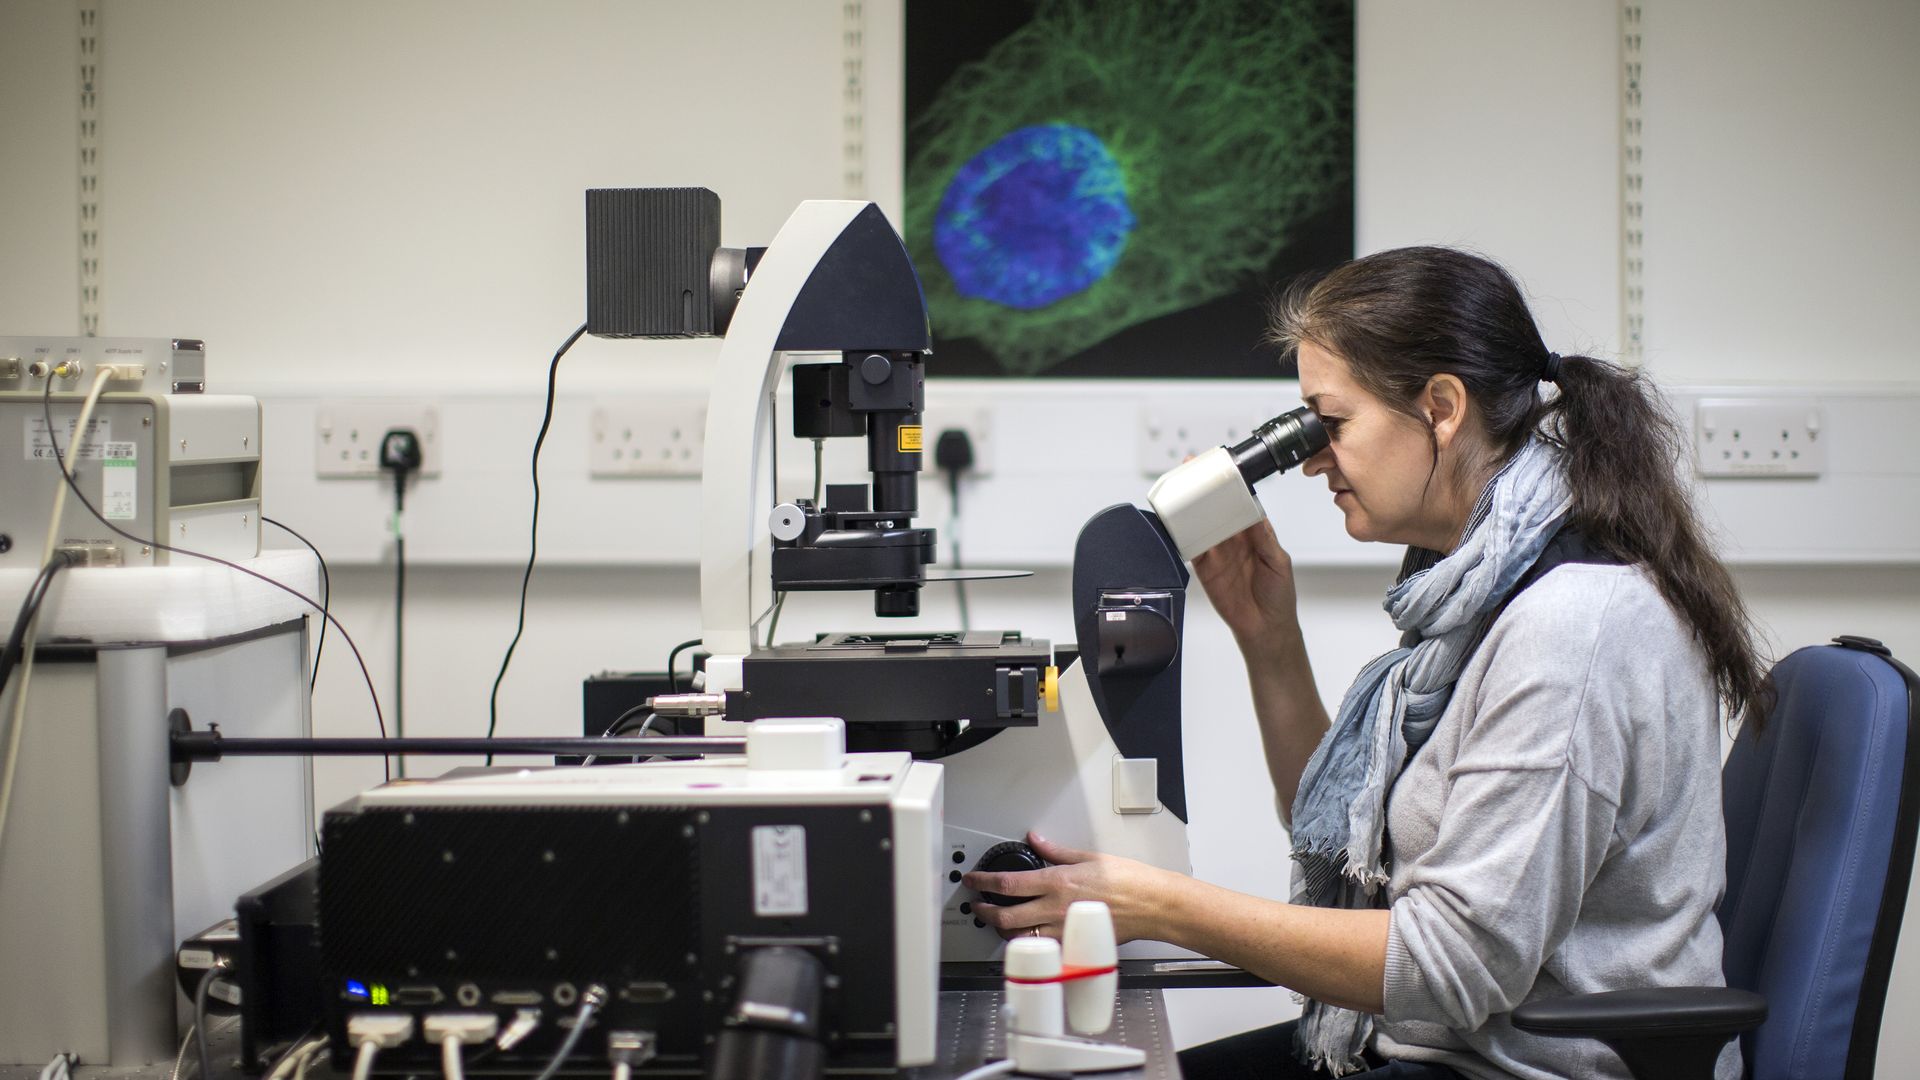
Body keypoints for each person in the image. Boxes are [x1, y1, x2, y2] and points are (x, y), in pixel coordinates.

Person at [961, 247, 1768, 1080]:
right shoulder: (1474, 588)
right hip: (1435, 1048)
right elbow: (1346, 826)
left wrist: (1159, 904)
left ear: (1442, 407)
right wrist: (1268, 640)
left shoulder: (1571, 625)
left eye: (1330, 424)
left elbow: (1450, 965)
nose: (1311, 460)